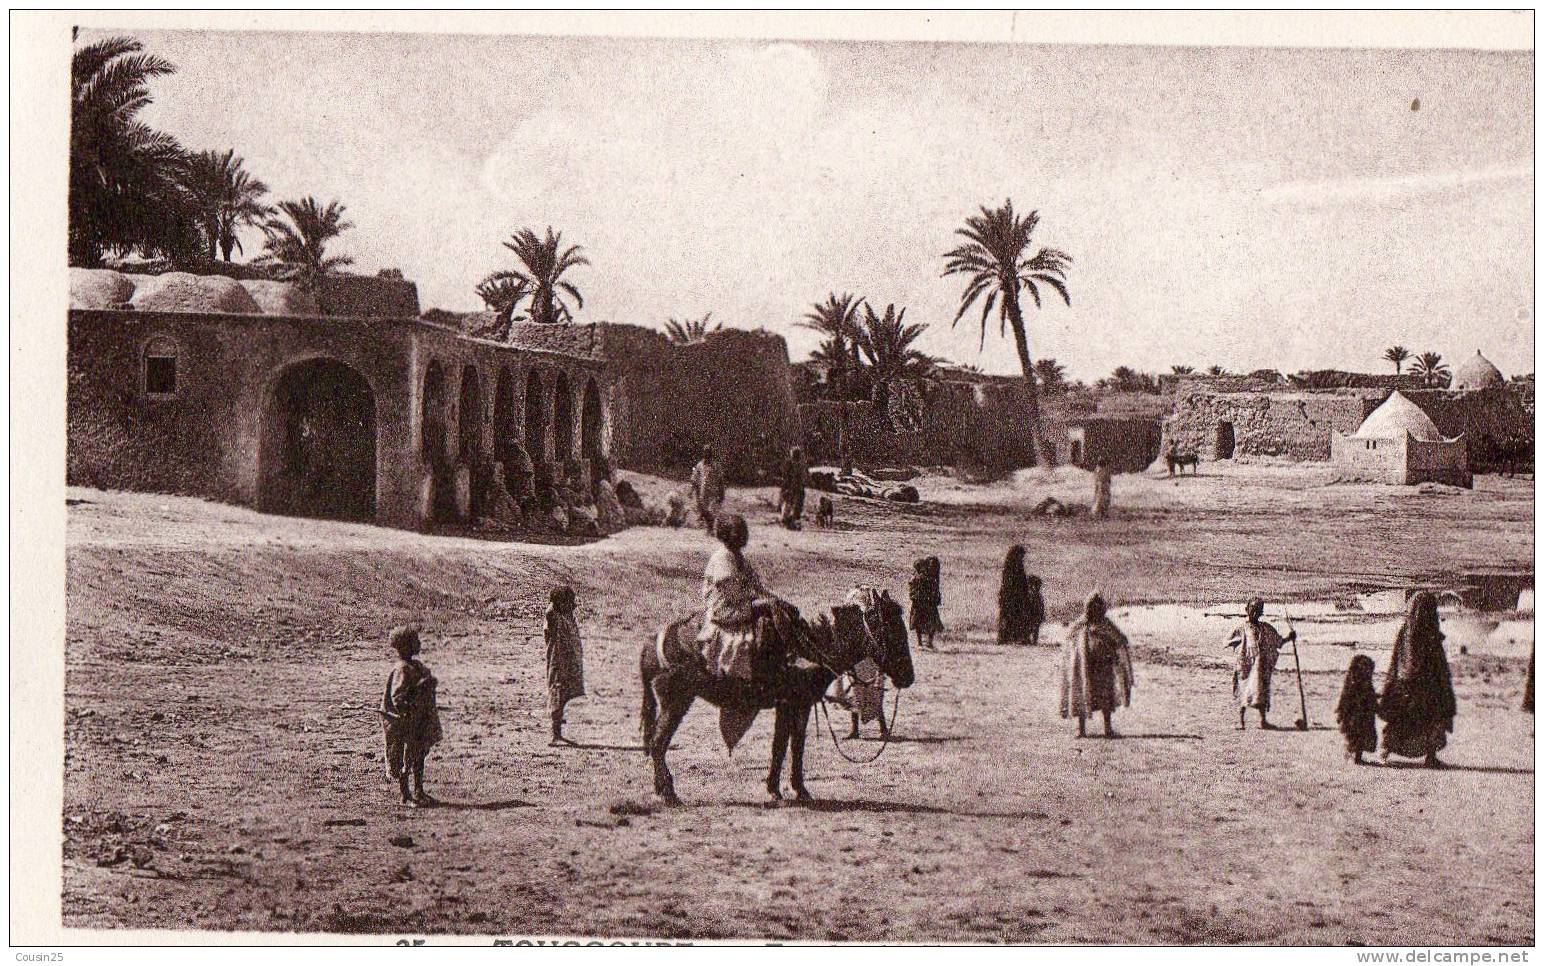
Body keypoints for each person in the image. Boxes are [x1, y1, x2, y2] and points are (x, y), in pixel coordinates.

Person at [1378, 590, 1456, 768]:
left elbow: (1397, 660)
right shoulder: (1429, 635)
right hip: (1425, 687)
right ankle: (1430, 756)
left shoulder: (1406, 630)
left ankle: (1386, 750)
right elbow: (1435, 664)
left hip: (1404, 685)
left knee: (1401, 720)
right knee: (1430, 718)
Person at [697, 514, 777, 681]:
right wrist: (760, 602)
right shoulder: (722, 559)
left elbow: (758, 586)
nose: (742, 537)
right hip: (725, 609)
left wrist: (777, 601)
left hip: (740, 604)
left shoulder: (739, 558)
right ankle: (740, 676)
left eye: (743, 532)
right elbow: (733, 594)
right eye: (737, 533)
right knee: (745, 639)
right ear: (726, 535)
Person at [382, 626, 442, 806]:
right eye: (415, 641)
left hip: (418, 720)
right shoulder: (402, 669)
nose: (419, 643)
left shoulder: (415, 666)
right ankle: (405, 795)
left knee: (418, 756)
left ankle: (418, 790)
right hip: (405, 722)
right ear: (406, 646)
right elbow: (398, 697)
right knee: (405, 759)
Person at [1059, 593, 1134, 738]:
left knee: (1105, 698)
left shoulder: (1106, 623)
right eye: (1093, 607)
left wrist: (1113, 644)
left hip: (1103, 666)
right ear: (1088, 608)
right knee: (1082, 695)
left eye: (1099, 606)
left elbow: (1120, 638)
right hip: (1083, 668)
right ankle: (1080, 729)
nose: (1096, 609)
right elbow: (1069, 639)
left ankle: (1108, 729)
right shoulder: (1081, 624)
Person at [1228, 597, 1295, 729]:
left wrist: (1289, 637)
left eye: (1258, 610)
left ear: (1261, 612)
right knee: (1243, 690)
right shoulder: (1241, 628)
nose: (1255, 613)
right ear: (1246, 610)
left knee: (1261, 691)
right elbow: (1229, 641)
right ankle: (1240, 721)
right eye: (1252, 609)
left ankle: (1263, 721)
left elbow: (1278, 642)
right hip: (1246, 666)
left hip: (1260, 666)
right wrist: (1238, 648)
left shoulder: (1266, 628)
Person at [544, 586, 585, 745]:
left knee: (563, 696)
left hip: (568, 663)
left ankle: (558, 733)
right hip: (558, 663)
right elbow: (550, 613)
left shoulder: (566, 617)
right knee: (557, 695)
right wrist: (555, 602)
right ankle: (554, 735)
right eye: (568, 602)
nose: (572, 606)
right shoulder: (553, 617)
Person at [1335, 654, 1379, 765]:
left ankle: (1355, 756)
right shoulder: (1353, 685)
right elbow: (1345, 702)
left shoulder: (1360, 684)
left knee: (1358, 737)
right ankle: (1354, 756)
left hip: (1361, 717)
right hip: (1355, 718)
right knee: (1356, 736)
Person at [997, 545, 1036, 646]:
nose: (1022, 558)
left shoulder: (1013, 566)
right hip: (1012, 597)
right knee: (1012, 617)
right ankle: (1010, 637)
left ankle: (1011, 637)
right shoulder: (1012, 567)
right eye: (1021, 555)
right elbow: (1011, 584)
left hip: (1014, 597)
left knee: (1013, 617)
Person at [908, 556, 944, 651]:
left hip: (926, 604)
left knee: (928, 623)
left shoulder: (929, 578)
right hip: (922, 603)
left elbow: (935, 591)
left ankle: (926, 643)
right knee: (923, 623)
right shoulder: (922, 578)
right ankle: (924, 643)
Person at [690, 445, 725, 534]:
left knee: (712, 510)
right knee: (703, 511)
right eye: (705, 452)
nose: (707, 454)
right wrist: (691, 491)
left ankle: (712, 529)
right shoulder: (699, 465)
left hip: (713, 492)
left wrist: (722, 493)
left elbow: (720, 480)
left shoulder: (716, 466)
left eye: (709, 452)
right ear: (703, 453)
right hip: (703, 492)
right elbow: (694, 479)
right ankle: (709, 528)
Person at [778, 446, 808, 529]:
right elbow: (804, 476)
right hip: (796, 486)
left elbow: (784, 474)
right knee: (795, 504)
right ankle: (791, 520)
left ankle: (786, 520)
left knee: (788, 503)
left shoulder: (790, 463)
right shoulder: (801, 464)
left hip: (791, 486)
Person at [1025, 573, 1046, 647]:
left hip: (1035, 614)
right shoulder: (1033, 595)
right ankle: (1031, 640)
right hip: (1033, 615)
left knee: (1034, 628)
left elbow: (1040, 606)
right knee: (1033, 628)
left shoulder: (1036, 595)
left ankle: (1033, 641)